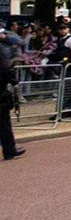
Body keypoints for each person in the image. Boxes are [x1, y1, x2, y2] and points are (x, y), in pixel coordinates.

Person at [1, 31, 24, 160]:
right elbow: (6, 68)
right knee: (4, 123)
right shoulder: (3, 51)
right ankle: (9, 150)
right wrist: (14, 81)